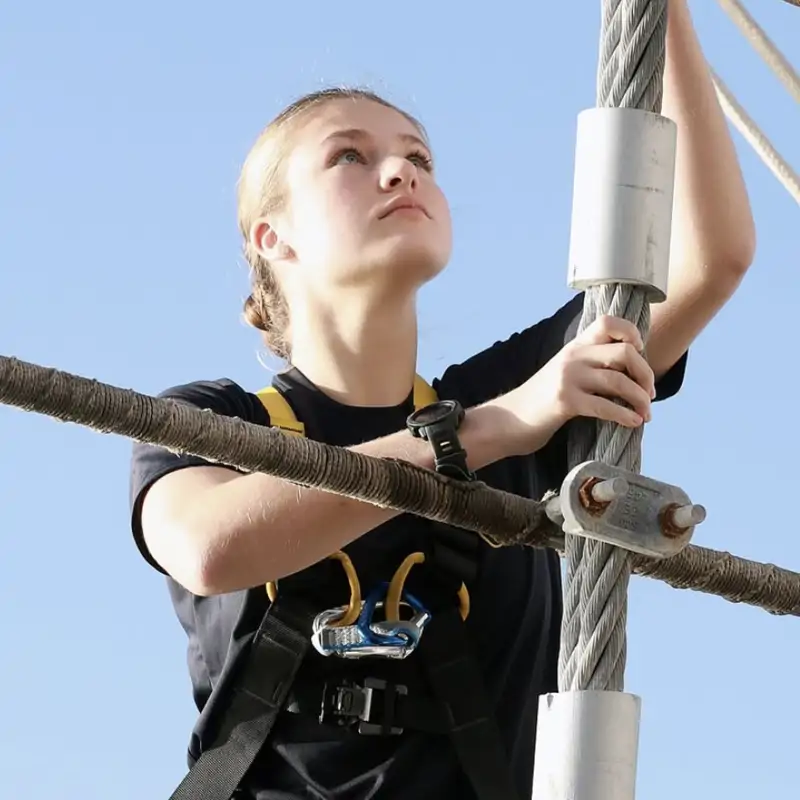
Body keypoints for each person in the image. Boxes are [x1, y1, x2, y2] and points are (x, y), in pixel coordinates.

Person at [129, 3, 755, 797]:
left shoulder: (522, 390)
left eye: (418, 155)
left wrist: (661, 12)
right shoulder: (215, 421)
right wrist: (486, 434)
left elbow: (712, 257)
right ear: (270, 238)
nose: (402, 171)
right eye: (349, 157)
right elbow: (209, 547)